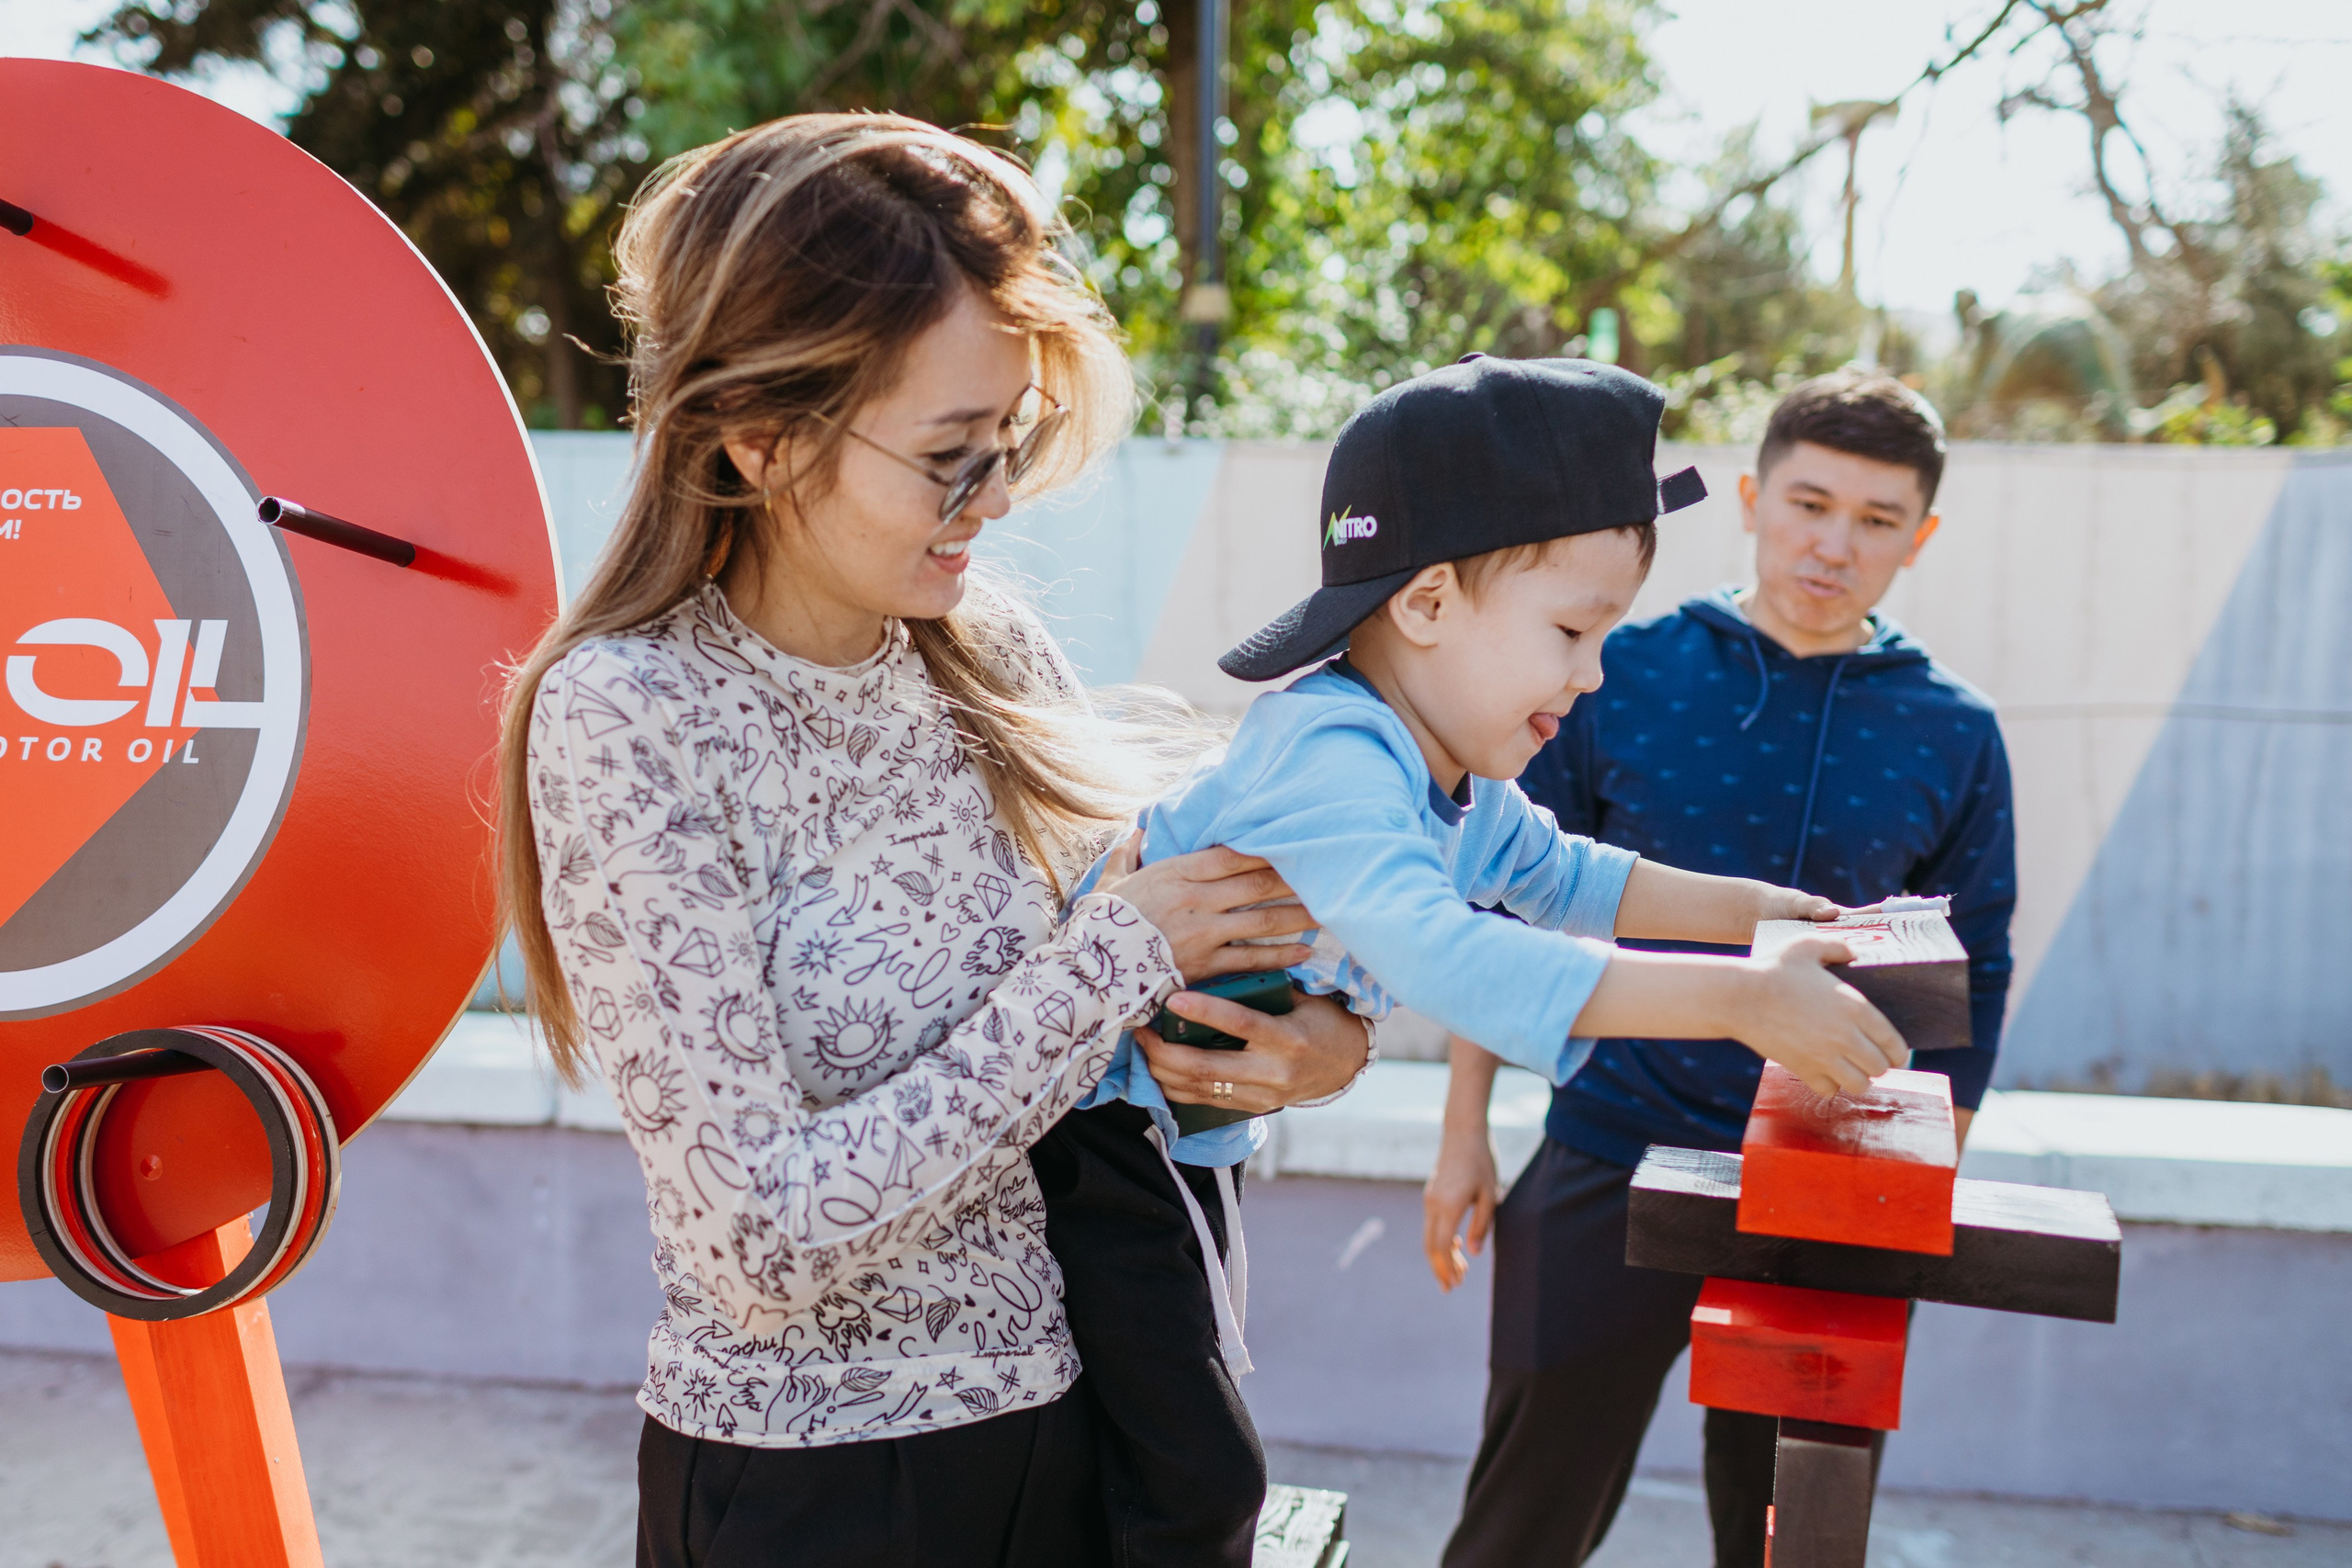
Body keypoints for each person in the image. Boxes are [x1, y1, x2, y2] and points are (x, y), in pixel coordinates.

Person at [498, 115, 1372, 1568]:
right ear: (757, 435)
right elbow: (755, 1247)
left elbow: (1097, 1063)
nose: (1002, 499)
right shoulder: (630, 715)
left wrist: (1289, 1046)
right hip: (817, 1493)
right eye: (953, 457)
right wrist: (1114, 960)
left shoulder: (979, 646)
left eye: (1012, 443)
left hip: (1092, 1439)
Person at [1044, 355, 1920, 1566]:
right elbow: (1457, 960)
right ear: (1429, 604)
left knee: (1185, 1459)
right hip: (1103, 1142)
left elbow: (1577, 879)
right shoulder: (1335, 752)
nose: (1593, 673)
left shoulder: (1443, 760)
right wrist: (1739, 1002)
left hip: (1184, 1135)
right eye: (1571, 629)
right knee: (1193, 1477)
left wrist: (1784, 918)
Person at [1426, 368, 2017, 1568]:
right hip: (1609, 1144)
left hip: (1836, 1181)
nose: (1833, 544)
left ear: (1923, 536)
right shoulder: (1619, 672)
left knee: (1789, 1538)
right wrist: (1464, 1132)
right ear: (1751, 498)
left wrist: (1918, 1180)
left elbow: (1976, 980)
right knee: (1520, 1528)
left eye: (1876, 519)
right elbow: (1506, 905)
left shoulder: (1954, 731)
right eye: (1809, 503)